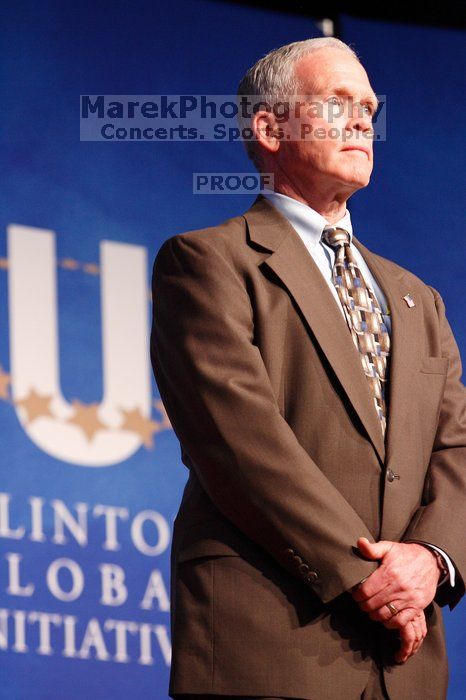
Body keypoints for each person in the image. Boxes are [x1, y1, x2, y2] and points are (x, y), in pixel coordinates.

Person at [150, 37, 465, 700]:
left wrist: (430, 562)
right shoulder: (208, 262)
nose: (362, 121)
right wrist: (366, 576)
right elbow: (239, 442)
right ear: (269, 128)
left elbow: (456, 451)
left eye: (369, 109)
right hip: (271, 640)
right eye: (337, 102)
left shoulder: (418, 299)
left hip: (403, 664)